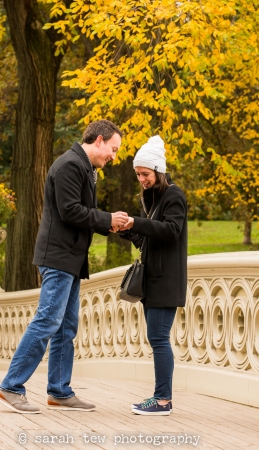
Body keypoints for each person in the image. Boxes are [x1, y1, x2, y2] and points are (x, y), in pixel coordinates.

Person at [0, 120, 129, 414]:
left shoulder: (85, 167)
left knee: (66, 326)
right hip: (58, 258)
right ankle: (11, 386)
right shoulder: (70, 164)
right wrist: (107, 219)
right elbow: (70, 210)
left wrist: (110, 225)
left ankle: (59, 391)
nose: (114, 156)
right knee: (47, 321)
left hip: (69, 259)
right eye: (113, 149)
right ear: (99, 141)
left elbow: (80, 213)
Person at [118, 135, 187, 416]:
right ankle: (161, 399)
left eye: (145, 174)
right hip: (154, 279)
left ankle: (162, 401)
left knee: (158, 338)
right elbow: (148, 240)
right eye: (138, 175)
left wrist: (139, 222)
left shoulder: (174, 195)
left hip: (166, 280)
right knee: (156, 337)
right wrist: (126, 229)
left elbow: (172, 231)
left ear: (158, 170)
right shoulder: (154, 198)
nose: (141, 179)